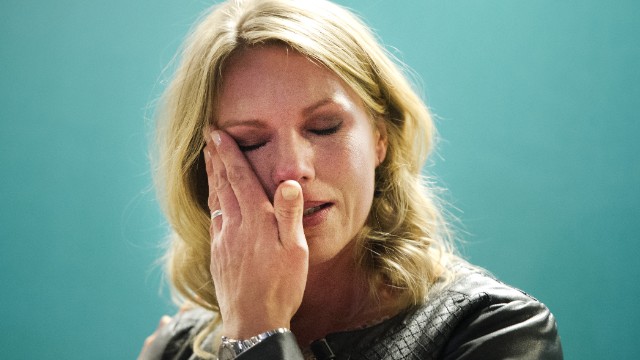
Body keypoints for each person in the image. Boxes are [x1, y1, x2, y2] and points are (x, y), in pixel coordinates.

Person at [139, 0, 563, 359]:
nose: (292, 169)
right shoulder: (180, 346)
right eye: (250, 142)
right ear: (203, 166)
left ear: (381, 136)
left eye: (324, 127)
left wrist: (258, 333)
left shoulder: (495, 330)